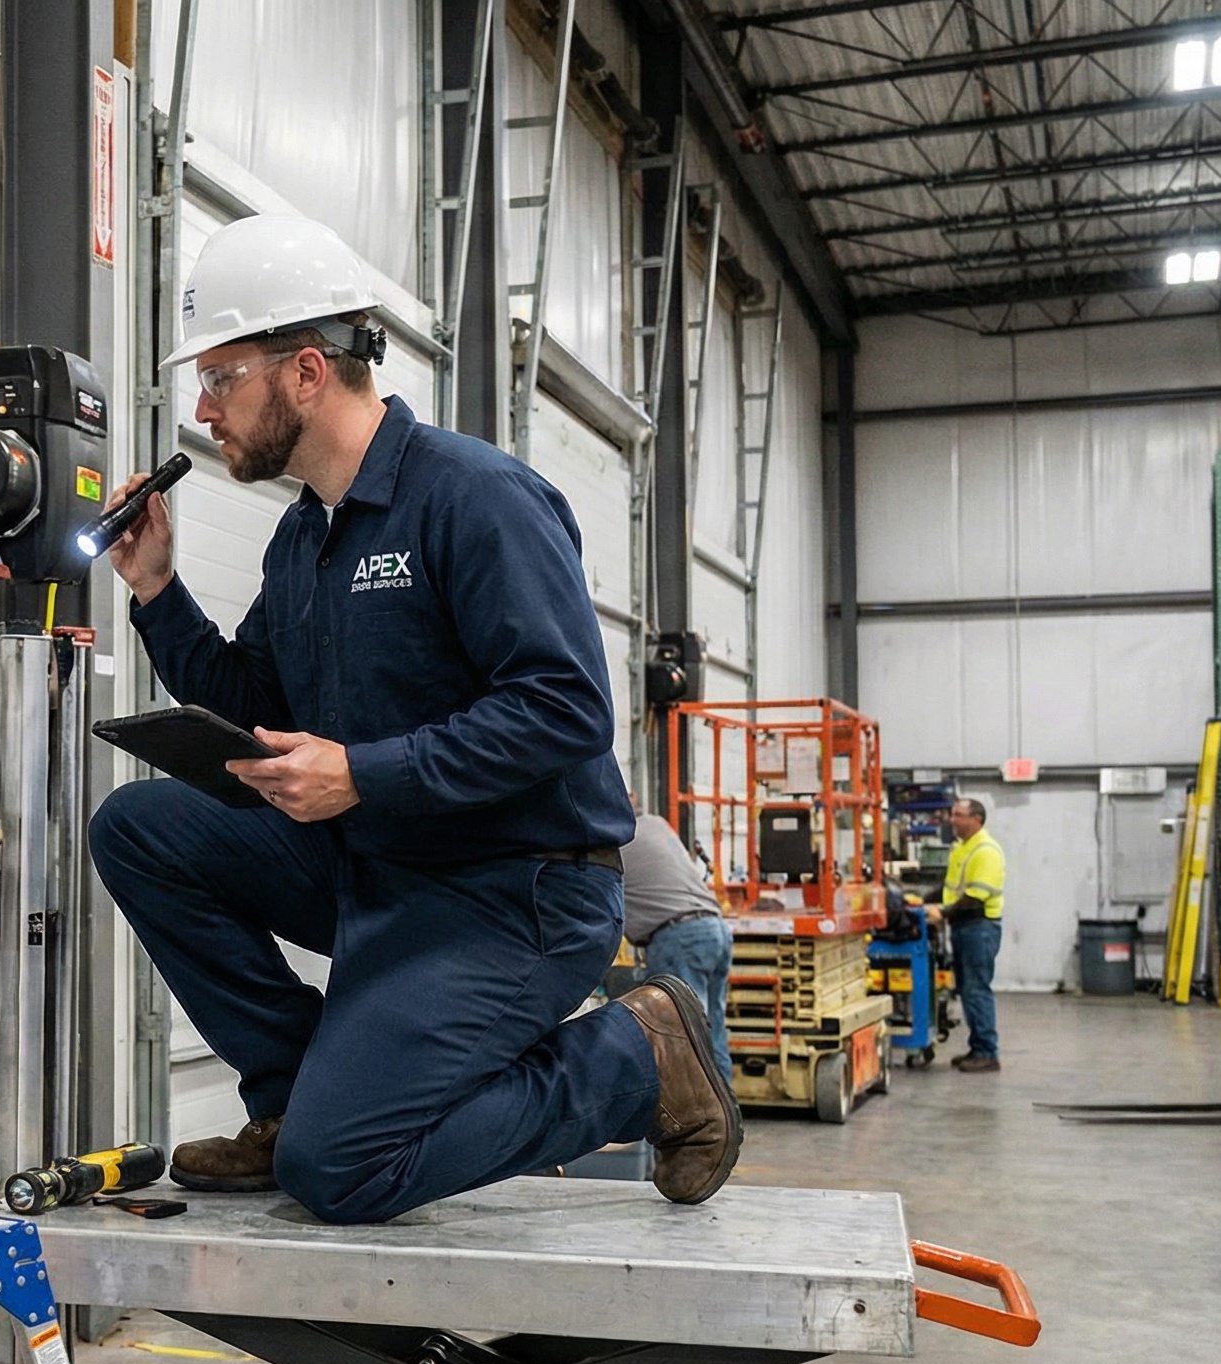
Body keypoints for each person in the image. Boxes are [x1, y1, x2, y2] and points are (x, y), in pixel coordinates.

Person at [86, 213, 741, 1223]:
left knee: (339, 1171)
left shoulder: (475, 498)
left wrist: (366, 774)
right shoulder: (303, 539)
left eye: (221, 378)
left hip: (513, 894)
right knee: (137, 827)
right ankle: (291, 1092)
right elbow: (255, 709)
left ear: (304, 373)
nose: (205, 409)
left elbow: (563, 709)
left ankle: (637, 1056)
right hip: (378, 872)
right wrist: (156, 590)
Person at [624, 809, 734, 1064]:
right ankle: (724, 1103)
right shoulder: (656, 823)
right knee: (712, 1030)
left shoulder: (612, 845)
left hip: (679, 937)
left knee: (683, 1037)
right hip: (715, 928)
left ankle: (697, 1104)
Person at [942, 797, 1005, 1072]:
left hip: (979, 928)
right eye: (952, 814)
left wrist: (941, 914)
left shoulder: (986, 851)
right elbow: (951, 890)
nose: (952, 820)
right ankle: (977, 1046)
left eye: (958, 815)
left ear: (975, 820)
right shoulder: (962, 848)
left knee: (977, 989)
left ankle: (988, 1053)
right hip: (964, 927)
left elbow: (975, 899)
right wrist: (923, 902)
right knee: (968, 990)